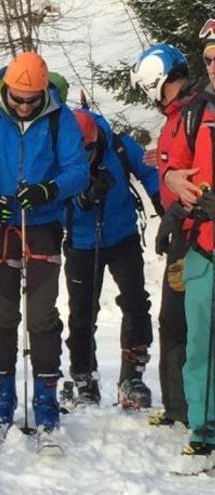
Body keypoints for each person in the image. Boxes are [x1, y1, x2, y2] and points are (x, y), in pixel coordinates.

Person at [0, 51, 87, 443]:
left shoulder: (59, 117)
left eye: (32, 99)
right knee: (1, 313)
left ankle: (46, 396)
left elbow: (77, 171)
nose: (24, 105)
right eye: (17, 97)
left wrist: (50, 188)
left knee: (41, 314)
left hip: (43, 222)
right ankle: (3, 396)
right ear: (6, 88)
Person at [62, 109, 161, 408]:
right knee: (81, 313)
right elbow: (54, 192)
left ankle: (132, 376)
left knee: (135, 302)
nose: (86, 156)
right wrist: (80, 199)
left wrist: (161, 201)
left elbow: (148, 171)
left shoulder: (119, 145)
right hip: (81, 241)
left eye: (90, 149)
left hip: (122, 236)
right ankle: (84, 380)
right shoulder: (62, 150)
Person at [155, 19, 215, 472]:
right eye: (210, 59)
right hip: (204, 246)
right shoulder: (197, 111)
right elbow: (173, 172)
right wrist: (176, 184)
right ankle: (203, 431)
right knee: (201, 345)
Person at [131, 43, 200, 428]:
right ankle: (178, 406)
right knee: (172, 320)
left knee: (192, 323)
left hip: (197, 234)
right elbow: (178, 163)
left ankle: (196, 408)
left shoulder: (196, 113)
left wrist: (175, 215)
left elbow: (199, 174)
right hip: (180, 232)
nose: (150, 96)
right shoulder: (174, 118)